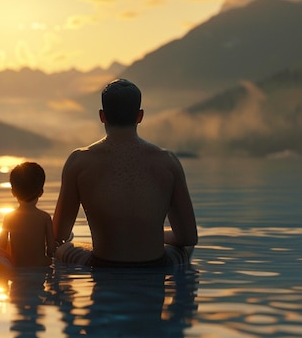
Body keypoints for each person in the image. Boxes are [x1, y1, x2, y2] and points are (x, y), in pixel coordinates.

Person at [53, 79, 198, 268]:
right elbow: (188, 237)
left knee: (60, 247)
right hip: (157, 265)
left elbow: (59, 235)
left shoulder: (79, 162)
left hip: (101, 264)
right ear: (140, 116)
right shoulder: (167, 161)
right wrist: (148, 233)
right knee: (185, 249)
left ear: (102, 116)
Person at [0, 162, 56, 267]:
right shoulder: (45, 217)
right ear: (41, 192)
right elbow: (51, 250)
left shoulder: (9, 218)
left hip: (17, 267)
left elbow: (0, 249)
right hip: (41, 267)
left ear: (13, 192)